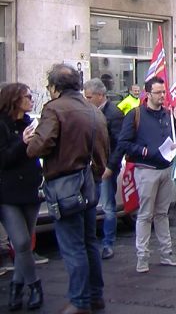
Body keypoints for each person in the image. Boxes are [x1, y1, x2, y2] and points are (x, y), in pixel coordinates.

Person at [26, 63, 109, 314]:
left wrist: (30, 141)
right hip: (88, 183)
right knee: (89, 242)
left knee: (73, 247)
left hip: (65, 184)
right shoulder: (93, 110)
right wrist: (95, 176)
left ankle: (80, 301)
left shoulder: (54, 108)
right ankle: (95, 296)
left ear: (54, 87)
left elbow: (37, 148)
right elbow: (103, 149)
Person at [118, 76, 176, 274]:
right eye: (158, 92)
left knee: (162, 213)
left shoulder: (168, 115)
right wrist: (144, 151)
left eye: (164, 92)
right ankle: (142, 256)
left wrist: (174, 147)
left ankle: (166, 253)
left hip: (165, 169)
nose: (162, 96)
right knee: (145, 215)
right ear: (148, 94)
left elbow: (175, 135)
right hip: (146, 170)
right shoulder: (135, 115)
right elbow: (124, 142)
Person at [0, 83, 44, 310]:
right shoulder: (2, 125)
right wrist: (22, 143)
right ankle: (35, 285)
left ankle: (16, 287)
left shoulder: (30, 123)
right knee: (21, 242)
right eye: (27, 96)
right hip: (8, 193)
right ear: (15, 100)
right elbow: (4, 159)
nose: (31, 99)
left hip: (30, 189)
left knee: (25, 244)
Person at [83, 78, 125, 260]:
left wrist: (110, 166)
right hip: (92, 167)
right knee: (91, 205)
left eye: (89, 97)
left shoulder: (113, 114)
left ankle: (108, 243)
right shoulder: (88, 112)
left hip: (107, 167)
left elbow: (119, 144)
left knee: (108, 206)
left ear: (100, 95)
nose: (86, 100)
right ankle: (91, 242)